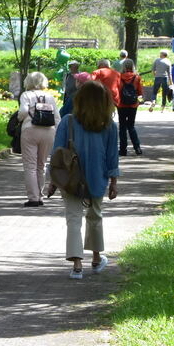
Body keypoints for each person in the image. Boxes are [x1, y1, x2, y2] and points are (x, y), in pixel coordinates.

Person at [45, 81, 117, 279]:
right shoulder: (109, 126)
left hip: (70, 178)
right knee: (95, 216)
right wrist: (113, 182)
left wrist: (52, 181)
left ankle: (77, 265)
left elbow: (57, 154)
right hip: (97, 176)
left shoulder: (68, 121)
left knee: (73, 219)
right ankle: (95, 259)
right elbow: (112, 157)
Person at [17, 72, 60, 207]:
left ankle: (33, 198)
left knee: (30, 165)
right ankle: (40, 196)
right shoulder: (49, 96)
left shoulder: (26, 95)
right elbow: (57, 117)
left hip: (30, 130)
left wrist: (18, 119)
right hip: (48, 131)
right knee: (41, 165)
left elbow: (23, 112)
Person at [116, 58, 143, 156]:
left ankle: (123, 150)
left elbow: (117, 91)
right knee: (131, 126)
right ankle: (137, 148)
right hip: (133, 105)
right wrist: (139, 102)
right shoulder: (137, 77)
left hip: (122, 105)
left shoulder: (119, 77)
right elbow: (140, 92)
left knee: (122, 127)